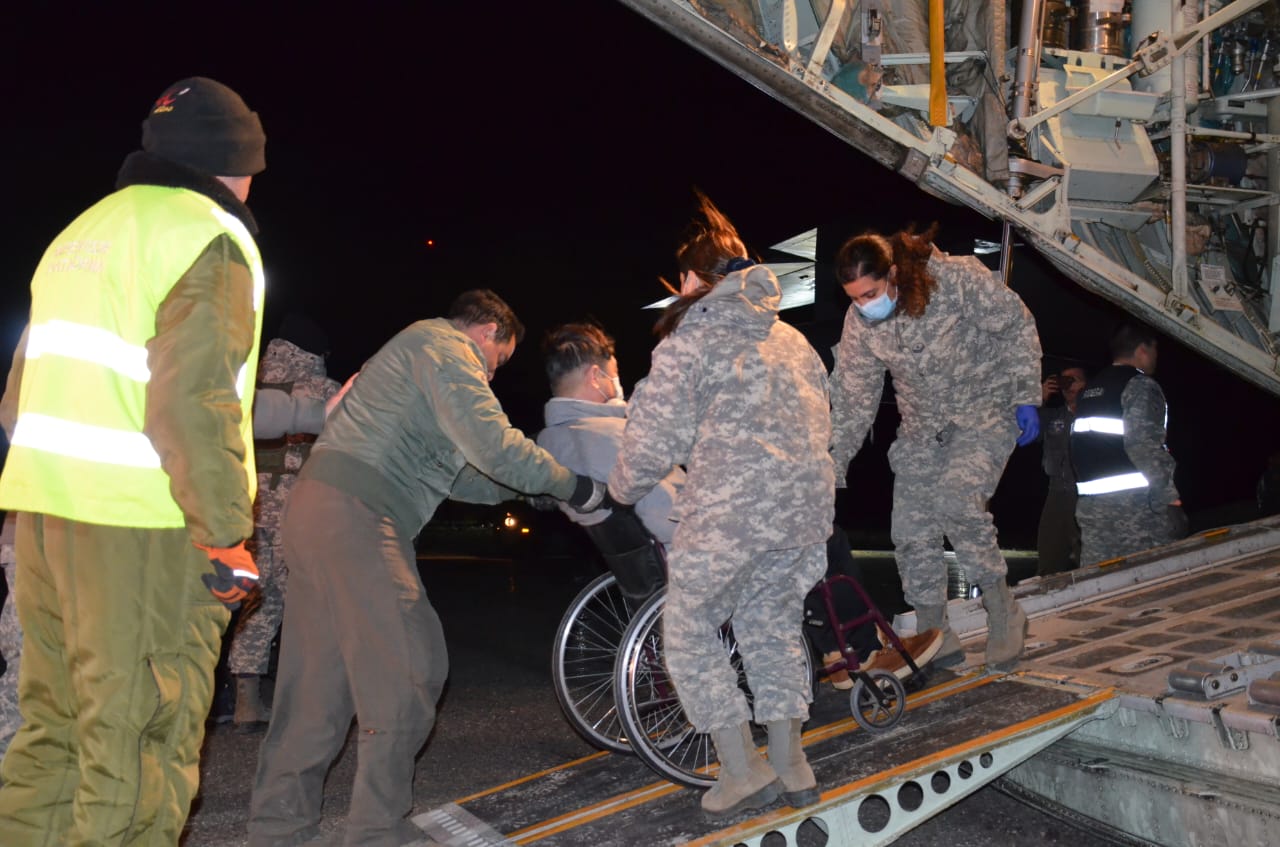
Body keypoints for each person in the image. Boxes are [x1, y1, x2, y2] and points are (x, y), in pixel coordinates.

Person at [0, 77, 268, 844]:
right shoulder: (205, 237)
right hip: (143, 533)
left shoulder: (83, 232)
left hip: (46, 524)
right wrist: (224, 535)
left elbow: (19, 400)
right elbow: (195, 402)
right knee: (140, 744)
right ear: (235, 163)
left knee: (53, 738)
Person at [247, 289, 605, 847]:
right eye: (498, 362)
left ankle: (278, 830)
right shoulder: (444, 346)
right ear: (487, 332)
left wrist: (530, 495)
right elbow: (493, 443)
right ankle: (377, 833)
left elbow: (463, 473)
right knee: (413, 666)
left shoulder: (414, 363)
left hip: (317, 513)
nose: (491, 376)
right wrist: (574, 484)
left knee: (317, 688)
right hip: (359, 515)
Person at [539, 322, 941, 688]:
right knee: (824, 535)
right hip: (700, 555)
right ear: (596, 377)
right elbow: (669, 516)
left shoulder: (552, 443)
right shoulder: (613, 436)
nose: (618, 382)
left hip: (654, 565)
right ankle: (862, 649)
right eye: (614, 373)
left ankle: (837, 651)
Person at [608, 192, 834, 817]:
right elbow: (825, 420)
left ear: (691, 279)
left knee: (687, 629)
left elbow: (652, 441)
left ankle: (742, 770)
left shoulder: (692, 337)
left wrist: (618, 491)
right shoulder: (792, 340)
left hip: (732, 514)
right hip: (804, 514)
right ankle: (792, 765)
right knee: (773, 626)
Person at [829, 225, 1043, 674]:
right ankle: (935, 635)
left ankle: (1004, 611)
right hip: (923, 431)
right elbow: (853, 398)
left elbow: (1015, 324)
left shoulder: (955, 279)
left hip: (985, 412)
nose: (863, 304)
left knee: (957, 502)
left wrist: (1026, 392)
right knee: (909, 529)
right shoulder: (860, 324)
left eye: (869, 293)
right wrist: (833, 465)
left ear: (891, 274)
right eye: (853, 297)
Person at [226, 314, 341, 732]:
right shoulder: (323, 391)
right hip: (299, 516)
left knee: (257, 603)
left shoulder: (249, 387)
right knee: (306, 606)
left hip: (250, 514)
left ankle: (246, 703)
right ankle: (304, 702)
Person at [1071, 323, 1187, 564]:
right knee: (1149, 577)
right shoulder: (1140, 386)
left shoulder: (1090, 389)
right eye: (1155, 350)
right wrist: (1170, 498)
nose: (1156, 357)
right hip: (1136, 510)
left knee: (1100, 582)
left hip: (1093, 509)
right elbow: (1142, 443)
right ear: (1143, 350)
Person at [1035, 365, 1087, 576]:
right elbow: (1023, 431)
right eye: (1064, 381)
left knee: (1087, 556)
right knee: (1049, 557)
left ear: (1086, 385)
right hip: (1056, 493)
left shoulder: (1095, 412)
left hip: (1085, 494)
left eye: (1074, 380)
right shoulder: (1053, 417)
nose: (1068, 385)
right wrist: (1039, 398)